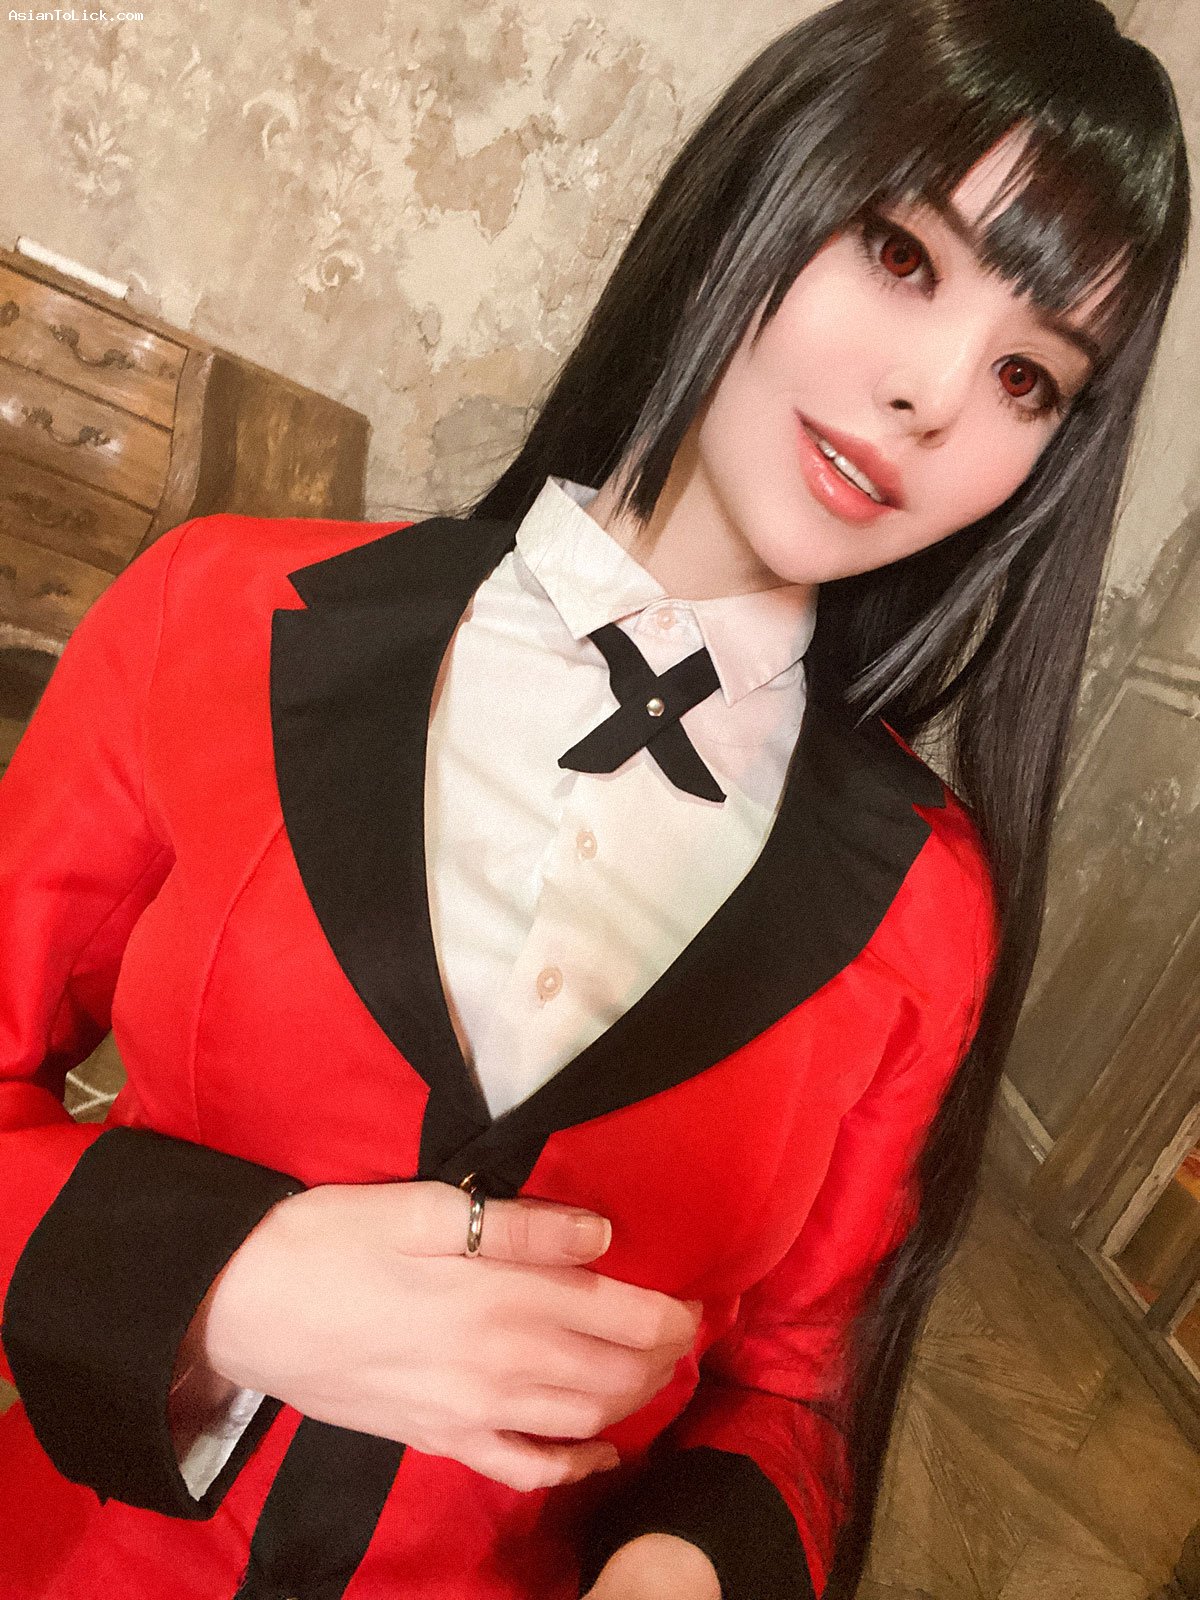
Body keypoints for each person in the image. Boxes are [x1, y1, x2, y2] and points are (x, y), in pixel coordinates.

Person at [0, 0, 1190, 1596]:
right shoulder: (212, 618)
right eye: (901, 254)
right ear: (759, 183)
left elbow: (798, 1397)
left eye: (1030, 376)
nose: (932, 393)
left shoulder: (926, 908)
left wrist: (689, 1565)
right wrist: (223, 1286)